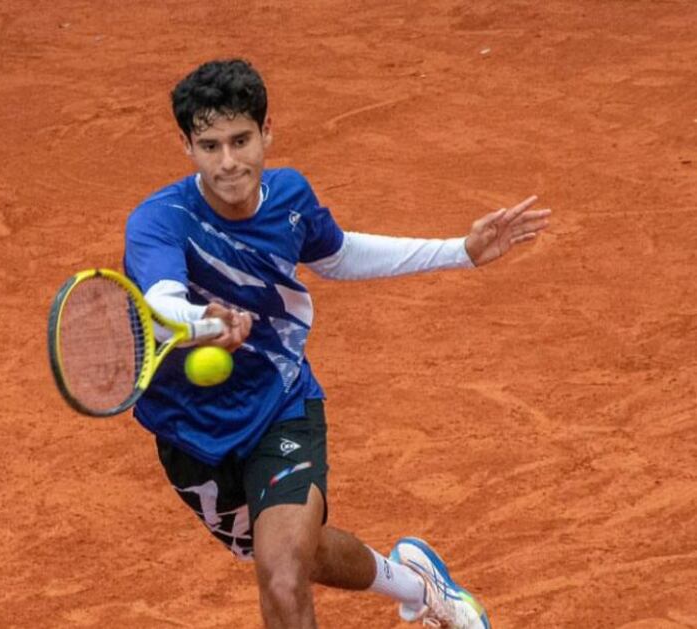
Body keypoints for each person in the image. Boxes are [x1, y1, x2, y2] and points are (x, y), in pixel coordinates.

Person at [123, 58, 550, 629]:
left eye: (242, 140)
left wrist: (459, 251)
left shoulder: (289, 199)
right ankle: (418, 585)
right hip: (189, 430)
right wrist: (202, 321)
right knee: (304, 553)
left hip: (281, 404)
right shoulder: (160, 220)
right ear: (187, 146)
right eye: (210, 145)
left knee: (281, 573)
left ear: (267, 131)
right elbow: (161, 299)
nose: (229, 163)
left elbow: (341, 255)